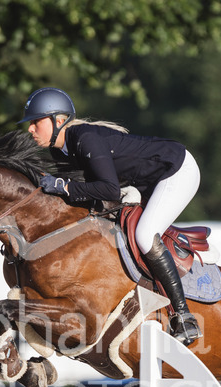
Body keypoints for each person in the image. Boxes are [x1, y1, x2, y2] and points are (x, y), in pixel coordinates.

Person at [18, 87, 202, 346]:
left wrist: (64, 186)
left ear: (58, 120)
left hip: (176, 170)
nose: (31, 129)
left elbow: (107, 189)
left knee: (144, 235)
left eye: (36, 122)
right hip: (144, 183)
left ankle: (184, 317)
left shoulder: (85, 138)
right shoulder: (59, 151)